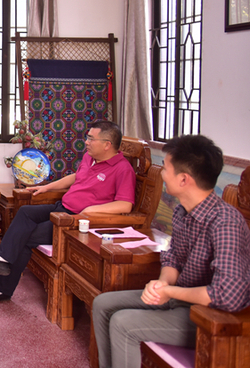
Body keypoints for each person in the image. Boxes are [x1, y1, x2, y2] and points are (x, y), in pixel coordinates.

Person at [92, 135, 250, 368]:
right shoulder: (182, 211)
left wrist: (170, 291)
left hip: (209, 317)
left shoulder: (225, 222)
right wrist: (163, 284)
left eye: (165, 168)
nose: (162, 174)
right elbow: (173, 257)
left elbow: (227, 295)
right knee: (102, 304)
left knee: (123, 322)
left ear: (184, 179)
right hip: (179, 298)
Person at [0, 120, 136, 304]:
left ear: (107, 144)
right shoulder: (89, 158)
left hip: (74, 221)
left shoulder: (123, 169)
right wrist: (47, 187)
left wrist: (89, 211)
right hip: (62, 207)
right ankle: (1, 260)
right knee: (25, 212)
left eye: (91, 139)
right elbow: (76, 177)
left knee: (25, 238)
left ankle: (1, 289)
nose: (87, 142)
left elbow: (125, 205)